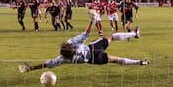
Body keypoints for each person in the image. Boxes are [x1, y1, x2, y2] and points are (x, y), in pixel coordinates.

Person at [18, 19, 149, 73]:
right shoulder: (72, 43)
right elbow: (86, 34)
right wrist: (92, 20)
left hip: (93, 60)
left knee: (116, 60)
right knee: (111, 37)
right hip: (94, 48)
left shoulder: (63, 59)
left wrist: (31, 68)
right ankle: (134, 34)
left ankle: (139, 62)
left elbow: (47, 64)